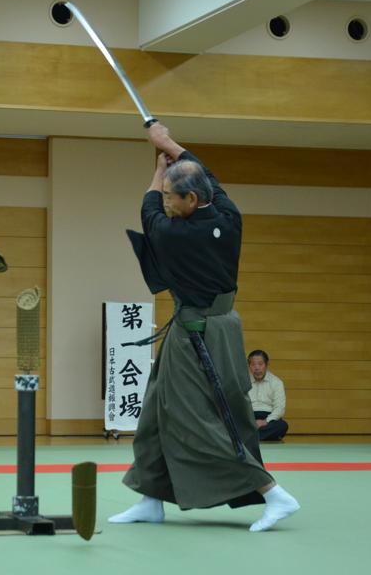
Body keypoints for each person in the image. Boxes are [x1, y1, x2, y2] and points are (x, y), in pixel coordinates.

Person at [108, 122, 299, 532]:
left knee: (199, 420)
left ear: (190, 200)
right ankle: (151, 498)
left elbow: (147, 210)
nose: (166, 202)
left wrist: (158, 168)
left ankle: (272, 492)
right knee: (159, 408)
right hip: (213, 329)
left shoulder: (177, 235)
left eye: (171, 198)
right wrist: (169, 146)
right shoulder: (228, 214)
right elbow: (204, 173)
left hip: (199, 334)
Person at [247, 350, 289, 441]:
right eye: (253, 364)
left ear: (266, 365)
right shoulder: (243, 382)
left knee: (282, 426)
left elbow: (279, 408)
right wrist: (250, 422)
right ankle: (259, 436)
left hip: (268, 418)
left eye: (260, 364)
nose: (257, 368)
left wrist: (265, 421)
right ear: (249, 366)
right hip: (249, 417)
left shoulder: (277, 383)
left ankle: (248, 438)